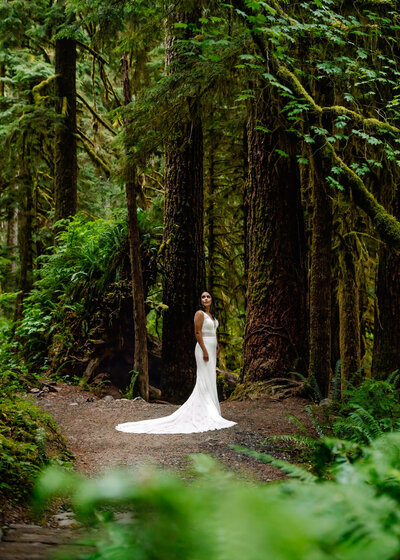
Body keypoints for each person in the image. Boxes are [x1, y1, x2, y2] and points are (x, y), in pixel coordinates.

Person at [115, 291, 236, 434]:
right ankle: (204, 410)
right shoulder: (199, 314)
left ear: (211, 299)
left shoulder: (212, 316)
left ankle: (212, 409)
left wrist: (217, 345)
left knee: (211, 377)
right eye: (203, 297)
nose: (206, 299)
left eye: (208, 296)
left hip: (212, 347)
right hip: (203, 348)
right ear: (200, 301)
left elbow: (214, 331)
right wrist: (204, 349)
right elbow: (197, 332)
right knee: (203, 378)